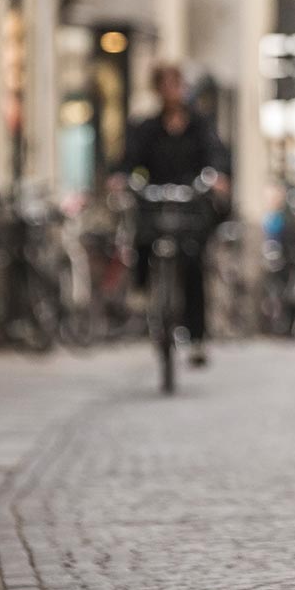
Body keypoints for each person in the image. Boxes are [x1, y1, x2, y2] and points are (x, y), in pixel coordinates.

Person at [113, 62, 233, 367]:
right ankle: (141, 290)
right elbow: (129, 159)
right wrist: (120, 177)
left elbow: (216, 154)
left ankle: (197, 336)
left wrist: (216, 177)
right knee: (142, 233)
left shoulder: (200, 125)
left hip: (189, 200)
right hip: (156, 197)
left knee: (193, 262)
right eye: (164, 86)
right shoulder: (147, 127)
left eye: (175, 85)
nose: (171, 91)